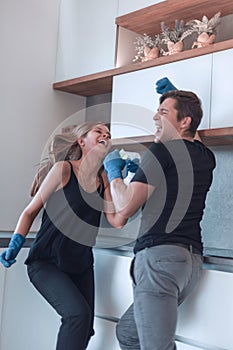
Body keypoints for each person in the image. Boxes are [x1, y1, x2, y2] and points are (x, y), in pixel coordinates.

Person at [103, 86, 216, 349]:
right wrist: (175, 99)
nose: (155, 117)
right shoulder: (205, 156)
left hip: (159, 259)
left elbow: (127, 206)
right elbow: (191, 134)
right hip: (188, 263)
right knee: (129, 333)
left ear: (184, 121)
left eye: (162, 112)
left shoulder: (161, 152)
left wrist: (114, 173)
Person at [0, 121, 127, 350]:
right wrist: (15, 243)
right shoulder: (64, 170)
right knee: (77, 316)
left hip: (80, 263)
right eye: (98, 131)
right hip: (47, 261)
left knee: (85, 327)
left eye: (108, 134)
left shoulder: (104, 179)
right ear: (82, 141)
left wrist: (119, 177)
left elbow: (117, 221)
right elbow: (31, 210)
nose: (105, 135)